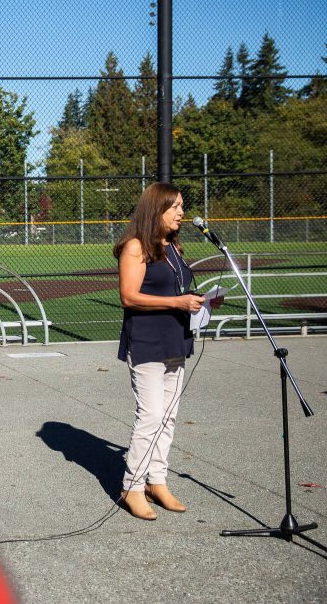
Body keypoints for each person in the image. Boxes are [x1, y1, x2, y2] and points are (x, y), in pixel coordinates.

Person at [113, 182, 204, 520]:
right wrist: (177, 301)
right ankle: (132, 486)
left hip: (176, 339)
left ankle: (157, 480)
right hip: (147, 342)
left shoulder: (173, 248)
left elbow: (178, 289)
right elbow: (129, 296)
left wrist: (200, 300)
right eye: (175, 206)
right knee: (150, 415)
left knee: (168, 416)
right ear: (157, 209)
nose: (181, 212)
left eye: (182, 205)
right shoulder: (135, 247)